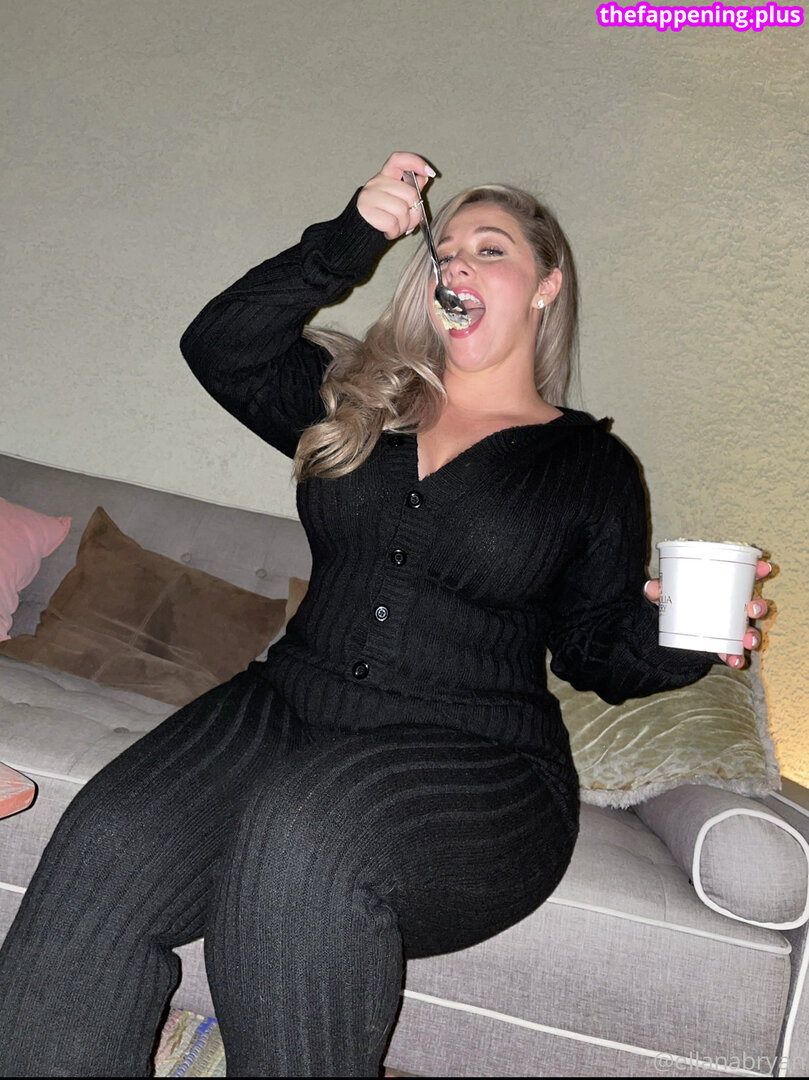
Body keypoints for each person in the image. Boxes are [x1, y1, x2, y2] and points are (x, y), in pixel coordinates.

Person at [0, 151, 769, 1078]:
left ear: (546, 285)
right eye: (446, 250)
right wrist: (355, 232)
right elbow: (223, 344)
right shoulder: (359, 404)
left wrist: (682, 637)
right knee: (108, 840)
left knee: (306, 834)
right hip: (284, 710)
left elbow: (595, 650)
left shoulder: (590, 469)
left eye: (490, 249)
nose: (457, 263)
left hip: (478, 765)